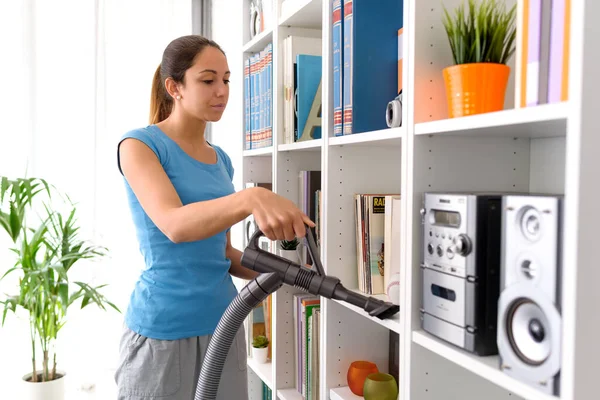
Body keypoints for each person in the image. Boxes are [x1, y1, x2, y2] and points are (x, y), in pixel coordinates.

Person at [114, 35, 314, 400]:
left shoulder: (220, 159)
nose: (221, 90)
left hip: (224, 325)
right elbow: (175, 225)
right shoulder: (140, 146)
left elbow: (221, 253)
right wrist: (251, 198)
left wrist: (294, 275)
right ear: (174, 87)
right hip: (163, 332)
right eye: (208, 80)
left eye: (226, 80)